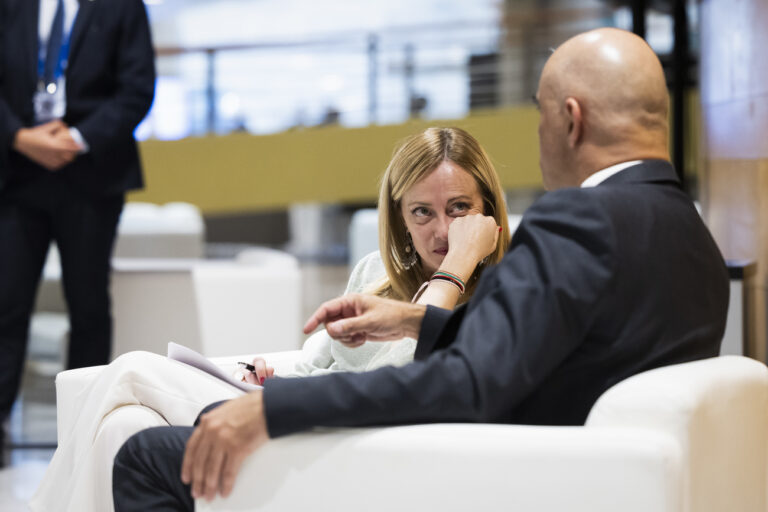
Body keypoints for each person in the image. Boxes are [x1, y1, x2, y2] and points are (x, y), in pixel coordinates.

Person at [111, 27, 730, 510]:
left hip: (468, 473)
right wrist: (414, 318)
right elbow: (553, 351)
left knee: (143, 457)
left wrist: (275, 409)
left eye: (541, 115)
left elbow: (466, 383)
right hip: (560, 471)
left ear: (571, 119)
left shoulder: (581, 222)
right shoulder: (693, 238)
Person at [30, 126, 512, 512]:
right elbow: (317, 364)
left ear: (487, 210)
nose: (443, 230)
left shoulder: (505, 291)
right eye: (422, 212)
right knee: (123, 427)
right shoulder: (375, 272)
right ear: (401, 218)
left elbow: (405, 377)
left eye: (460, 208)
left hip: (350, 436)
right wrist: (272, 375)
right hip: (301, 410)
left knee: (133, 369)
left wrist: (456, 269)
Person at [0, 0, 155, 461]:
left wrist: (77, 139)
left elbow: (136, 89)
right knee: (6, 304)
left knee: (87, 305)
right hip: (16, 175)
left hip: (92, 177)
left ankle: (84, 427)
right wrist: (19, 137)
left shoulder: (123, 6)